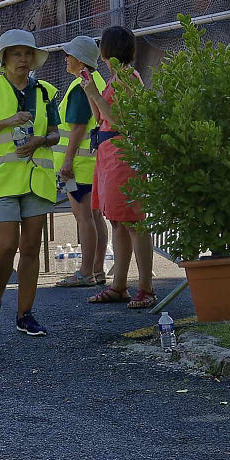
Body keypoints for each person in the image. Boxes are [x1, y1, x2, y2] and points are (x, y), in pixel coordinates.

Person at [0, 29, 60, 336]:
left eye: (28, 54)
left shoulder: (45, 91)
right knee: (6, 245)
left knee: (31, 247)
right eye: (17, 54)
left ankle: (25, 315)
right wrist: (7, 122)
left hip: (35, 178)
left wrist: (42, 139)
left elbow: (55, 133)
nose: (23, 59)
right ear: (4, 59)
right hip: (0, 179)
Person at [83, 25, 155, 310]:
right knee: (117, 220)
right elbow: (101, 117)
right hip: (110, 154)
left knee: (134, 220)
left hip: (123, 155)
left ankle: (146, 288)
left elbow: (121, 120)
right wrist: (90, 91)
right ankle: (119, 286)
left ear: (107, 51)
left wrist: (96, 94)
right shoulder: (117, 78)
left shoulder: (128, 78)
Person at [51, 34, 108, 290]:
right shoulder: (96, 80)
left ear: (80, 60)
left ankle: (86, 272)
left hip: (77, 167)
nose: (66, 58)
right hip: (91, 163)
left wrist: (67, 162)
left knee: (83, 217)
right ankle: (97, 269)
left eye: (70, 55)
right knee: (95, 216)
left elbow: (77, 128)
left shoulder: (79, 86)